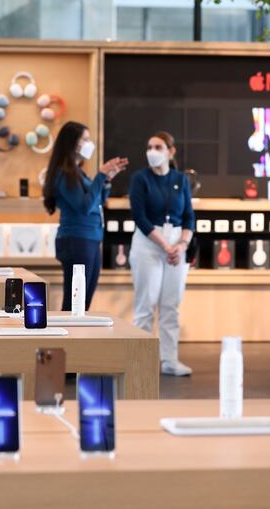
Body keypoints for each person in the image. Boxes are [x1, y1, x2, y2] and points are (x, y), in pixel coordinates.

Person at [128, 132, 195, 376]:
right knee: (145, 305)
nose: (152, 151)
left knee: (171, 305)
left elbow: (189, 216)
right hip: (149, 243)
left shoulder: (180, 179)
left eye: (158, 146)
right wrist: (165, 246)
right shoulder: (140, 179)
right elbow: (140, 218)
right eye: (149, 146)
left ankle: (170, 360)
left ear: (170, 151)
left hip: (177, 243)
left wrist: (181, 245)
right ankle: (141, 362)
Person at [43, 121, 128, 311]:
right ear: (73, 143)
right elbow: (84, 206)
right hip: (77, 240)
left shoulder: (78, 172)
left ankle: (76, 337)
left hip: (90, 238)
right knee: (76, 300)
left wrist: (106, 180)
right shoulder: (63, 174)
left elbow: (97, 201)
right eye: (86, 139)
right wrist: (100, 176)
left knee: (84, 299)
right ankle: (68, 338)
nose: (90, 144)